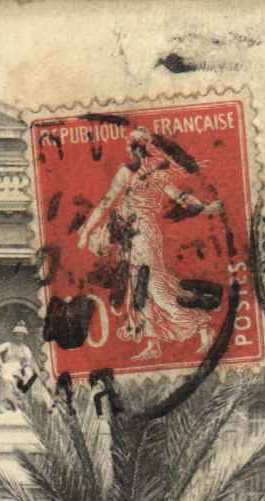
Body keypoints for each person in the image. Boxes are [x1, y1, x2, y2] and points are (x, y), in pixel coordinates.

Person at [75, 126, 226, 362]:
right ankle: (153, 341)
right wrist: (206, 208)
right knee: (138, 288)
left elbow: (106, 203)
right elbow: (183, 199)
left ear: (136, 150)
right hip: (135, 234)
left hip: (142, 234)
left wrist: (86, 231)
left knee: (152, 283)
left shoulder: (132, 173)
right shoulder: (154, 173)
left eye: (130, 147)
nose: (128, 151)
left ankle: (200, 323)